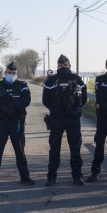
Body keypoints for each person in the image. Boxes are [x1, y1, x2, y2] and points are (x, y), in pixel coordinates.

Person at [0, 61, 34, 186]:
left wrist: (12, 107)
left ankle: (25, 177)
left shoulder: (22, 85)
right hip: (1, 123)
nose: (11, 74)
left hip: (16, 123)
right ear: (5, 73)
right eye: (9, 72)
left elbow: (26, 100)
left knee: (20, 151)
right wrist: (2, 109)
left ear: (17, 74)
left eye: (13, 73)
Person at [42, 54, 87, 186]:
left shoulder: (77, 80)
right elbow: (45, 100)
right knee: (54, 148)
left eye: (65, 65)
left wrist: (74, 109)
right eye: (61, 66)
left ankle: (77, 176)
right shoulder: (51, 81)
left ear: (70, 66)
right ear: (57, 66)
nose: (63, 67)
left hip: (73, 118)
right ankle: (51, 177)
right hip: (57, 119)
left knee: (75, 148)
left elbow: (83, 99)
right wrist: (56, 110)